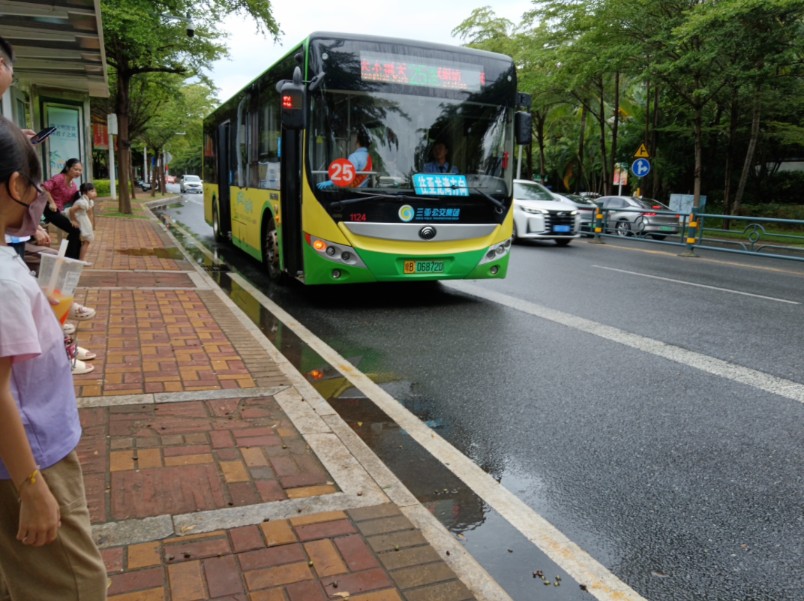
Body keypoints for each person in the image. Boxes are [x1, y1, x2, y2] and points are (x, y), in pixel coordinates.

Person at [0, 116, 108, 600]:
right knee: (78, 586)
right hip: (31, 457)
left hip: (26, 454)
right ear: (16, 185)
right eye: (35, 184)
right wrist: (33, 489)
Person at [41, 158, 83, 261]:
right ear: (68, 168)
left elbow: (75, 201)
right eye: (75, 169)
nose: (78, 172)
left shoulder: (74, 186)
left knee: (76, 231)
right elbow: (44, 188)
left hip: (57, 211)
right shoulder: (59, 178)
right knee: (75, 231)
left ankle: (73, 258)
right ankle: (70, 259)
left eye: (80, 170)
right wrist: (51, 202)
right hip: (47, 209)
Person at [64, 182, 96, 261]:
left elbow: (90, 214)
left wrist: (91, 225)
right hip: (80, 220)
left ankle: (80, 259)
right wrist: (73, 220)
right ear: (85, 192)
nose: (94, 193)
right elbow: (72, 210)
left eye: (94, 191)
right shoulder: (83, 202)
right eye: (91, 191)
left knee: (85, 240)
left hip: (84, 220)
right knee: (87, 239)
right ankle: (81, 260)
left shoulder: (89, 201)